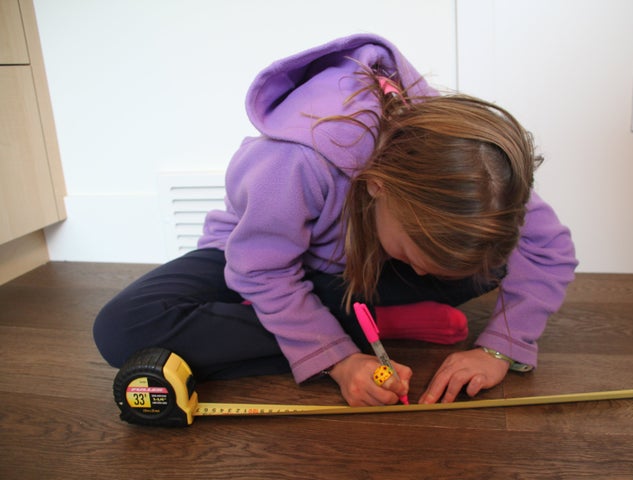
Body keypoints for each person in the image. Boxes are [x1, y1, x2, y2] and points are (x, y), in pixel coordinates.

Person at [93, 34, 577, 407]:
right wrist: (341, 361)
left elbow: (549, 249)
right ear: (379, 184)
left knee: (490, 256)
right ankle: (361, 326)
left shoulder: (470, 168)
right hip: (270, 262)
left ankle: (346, 319)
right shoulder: (296, 161)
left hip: (359, 270)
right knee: (122, 329)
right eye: (416, 255)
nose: (425, 274)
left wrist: (498, 348)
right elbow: (260, 269)